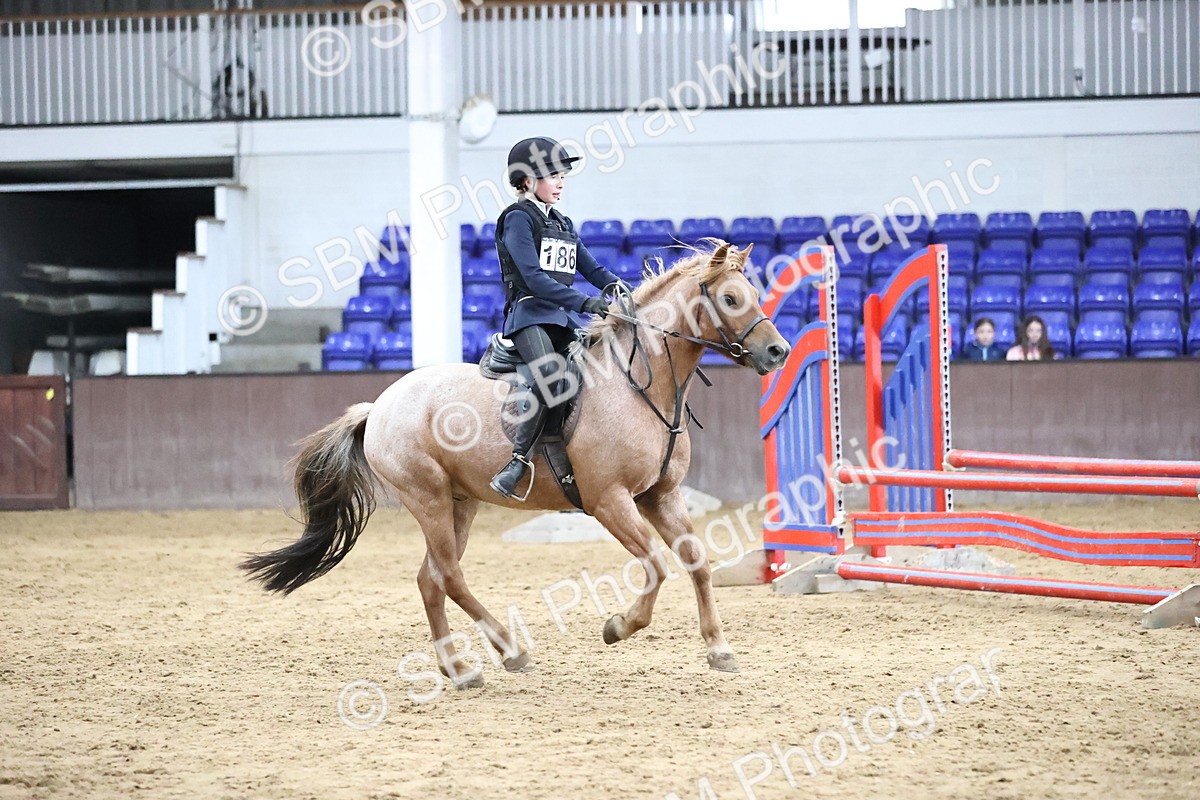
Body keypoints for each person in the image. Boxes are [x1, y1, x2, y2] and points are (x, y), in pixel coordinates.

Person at [489, 136, 624, 501]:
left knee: (598, 369)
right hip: (529, 315)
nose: (561, 182)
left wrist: (618, 287)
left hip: (560, 319)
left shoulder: (561, 222)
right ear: (528, 180)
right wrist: (585, 302)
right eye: (553, 176)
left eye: (563, 175)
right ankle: (517, 462)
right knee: (551, 375)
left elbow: (590, 266)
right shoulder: (518, 219)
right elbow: (533, 278)